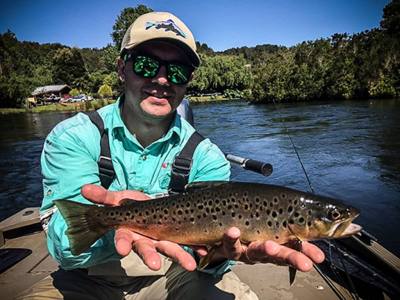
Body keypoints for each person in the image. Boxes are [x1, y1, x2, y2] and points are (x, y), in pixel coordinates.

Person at [17, 11, 324, 300]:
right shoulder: (74, 137)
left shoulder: (207, 157)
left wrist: (216, 255)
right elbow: (64, 248)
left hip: (175, 273)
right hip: (86, 279)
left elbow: (210, 261)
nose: (163, 79)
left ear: (187, 81)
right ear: (122, 68)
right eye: (146, 65)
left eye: (177, 71)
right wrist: (115, 228)